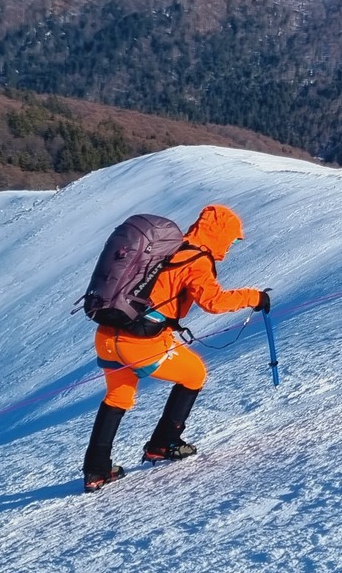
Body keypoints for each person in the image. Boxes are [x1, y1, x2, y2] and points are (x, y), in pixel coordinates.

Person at [83, 204, 269, 492]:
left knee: (119, 395)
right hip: (141, 342)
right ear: (219, 234)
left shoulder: (169, 248)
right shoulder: (196, 260)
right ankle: (163, 443)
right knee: (194, 374)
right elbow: (213, 302)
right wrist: (254, 297)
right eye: (231, 239)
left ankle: (96, 470)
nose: (231, 246)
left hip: (107, 335)